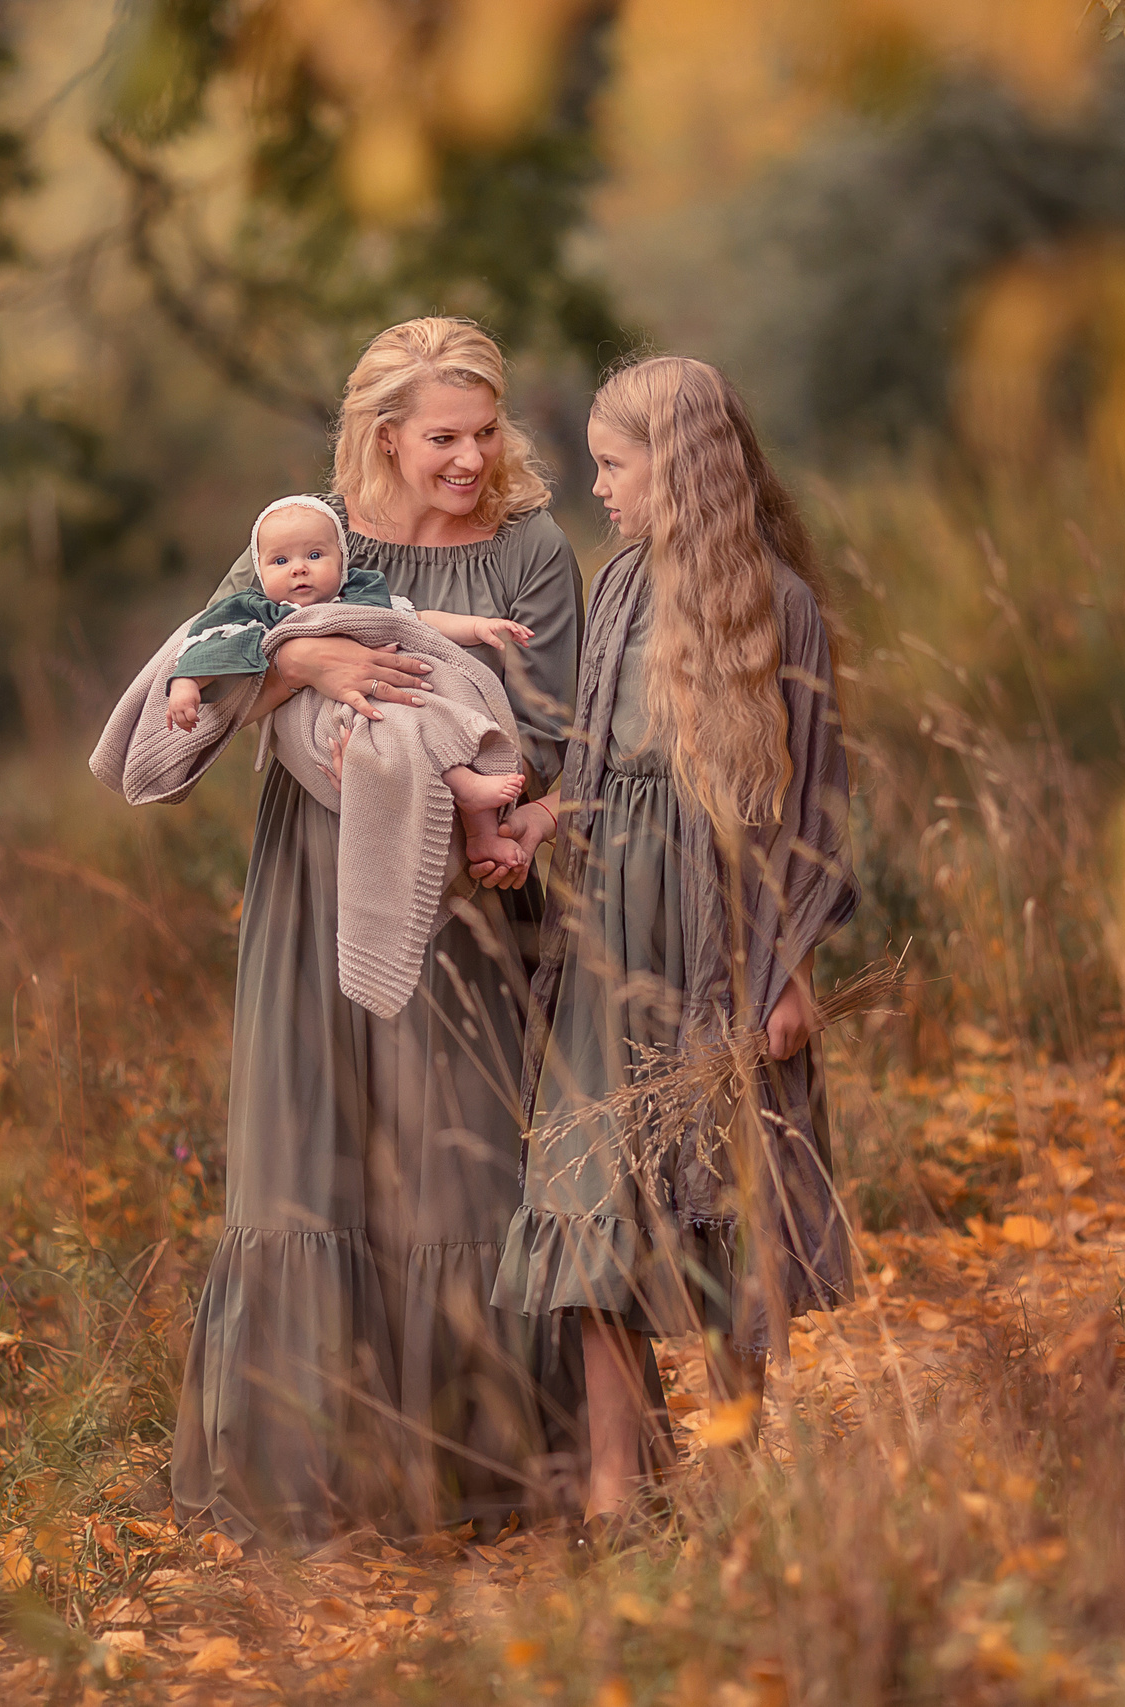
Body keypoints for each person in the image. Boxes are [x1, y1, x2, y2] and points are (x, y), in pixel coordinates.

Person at [165, 318, 584, 1545]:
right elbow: (215, 670)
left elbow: (554, 724)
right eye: (441, 436)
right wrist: (318, 673)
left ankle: (492, 1475)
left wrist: (478, 799)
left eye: (484, 431)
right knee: (318, 1148)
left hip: (465, 875)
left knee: (461, 1153)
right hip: (315, 871)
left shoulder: (532, 546)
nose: (467, 458)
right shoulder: (307, 538)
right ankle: (321, 1479)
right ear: (384, 435)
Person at [488, 355, 857, 1527]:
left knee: (718, 1194)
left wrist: (784, 970)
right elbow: (595, 770)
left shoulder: (775, 605)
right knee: (585, 1184)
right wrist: (542, 815)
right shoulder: (618, 585)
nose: (598, 487)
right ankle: (611, 1492)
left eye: (613, 463)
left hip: (716, 927)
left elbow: (810, 810)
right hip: (609, 927)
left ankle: (740, 1465)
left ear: (679, 467)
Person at [163, 494, 532, 871]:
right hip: (332, 716)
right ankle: (461, 786)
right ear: (259, 570)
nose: (299, 570)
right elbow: (209, 645)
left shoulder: (359, 598)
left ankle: (482, 835)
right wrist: (186, 684)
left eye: (315, 556)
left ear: (341, 559)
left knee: (450, 712)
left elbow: (418, 618)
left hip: (388, 695)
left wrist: (477, 626)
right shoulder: (259, 613)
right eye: (280, 561)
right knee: (408, 728)